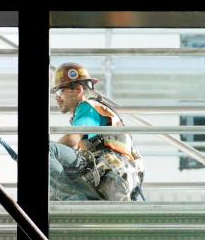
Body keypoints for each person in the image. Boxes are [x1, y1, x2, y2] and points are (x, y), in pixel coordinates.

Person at [48, 62, 144, 202]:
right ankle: (73, 203)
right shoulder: (99, 113)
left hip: (108, 177)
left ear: (78, 90)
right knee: (52, 194)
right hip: (106, 183)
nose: (57, 97)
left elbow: (70, 141)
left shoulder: (88, 107)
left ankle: (75, 203)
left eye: (60, 90)